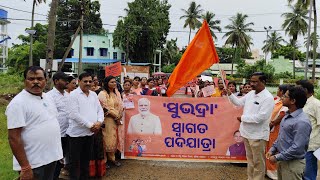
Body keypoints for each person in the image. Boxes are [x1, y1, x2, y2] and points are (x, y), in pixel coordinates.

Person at [5, 66, 63, 180]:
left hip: (51, 158)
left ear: (46, 81)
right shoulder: (18, 103)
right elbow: (13, 138)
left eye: (40, 78)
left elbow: (51, 123)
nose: (36, 82)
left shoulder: (47, 97)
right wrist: (25, 167)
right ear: (25, 81)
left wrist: (58, 153)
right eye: (31, 79)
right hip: (33, 163)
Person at [225, 72, 274, 180]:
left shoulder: (268, 98)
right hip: (246, 133)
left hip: (258, 135)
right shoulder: (251, 94)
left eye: (255, 81)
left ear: (263, 82)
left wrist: (242, 118)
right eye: (251, 81)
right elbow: (238, 102)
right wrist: (230, 94)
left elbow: (261, 117)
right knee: (250, 161)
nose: (252, 84)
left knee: (258, 163)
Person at [266, 86, 312, 180]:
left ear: (293, 101)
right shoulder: (287, 116)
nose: (282, 97)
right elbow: (282, 137)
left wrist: (277, 157)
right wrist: (272, 149)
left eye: (285, 96)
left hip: (292, 164)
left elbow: (297, 148)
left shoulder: (302, 122)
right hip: (283, 160)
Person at [66, 72, 104, 179]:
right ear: (79, 81)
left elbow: (99, 110)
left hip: (90, 134)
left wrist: (99, 122)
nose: (88, 83)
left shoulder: (93, 94)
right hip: (76, 135)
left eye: (90, 81)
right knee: (75, 163)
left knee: (86, 161)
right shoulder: (73, 95)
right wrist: (90, 125)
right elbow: (74, 114)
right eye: (85, 81)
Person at [47, 71, 71, 179]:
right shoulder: (49, 96)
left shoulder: (68, 95)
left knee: (63, 157)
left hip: (68, 132)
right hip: (57, 133)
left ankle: (59, 175)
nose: (67, 82)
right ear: (56, 81)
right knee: (55, 159)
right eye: (64, 80)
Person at [296, 80, 320, 180]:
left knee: (308, 176)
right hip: (300, 144)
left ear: (305, 90)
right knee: (300, 173)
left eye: (297, 88)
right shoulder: (301, 103)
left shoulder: (316, 104)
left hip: (311, 146)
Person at [98, 76, 124, 167]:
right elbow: (103, 108)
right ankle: (105, 161)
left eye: (115, 82)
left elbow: (121, 105)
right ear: (106, 83)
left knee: (115, 138)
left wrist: (119, 115)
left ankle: (112, 159)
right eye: (112, 82)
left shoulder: (116, 93)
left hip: (117, 120)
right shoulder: (102, 93)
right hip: (108, 119)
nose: (114, 84)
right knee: (107, 139)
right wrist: (114, 115)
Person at [265, 84, 289, 180]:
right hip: (270, 129)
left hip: (276, 129)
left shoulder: (284, 103)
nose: (277, 90)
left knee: (274, 149)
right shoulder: (276, 100)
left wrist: (272, 124)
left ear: (282, 91)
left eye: (278, 89)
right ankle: (268, 170)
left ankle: (274, 173)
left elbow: (282, 115)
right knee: (269, 149)